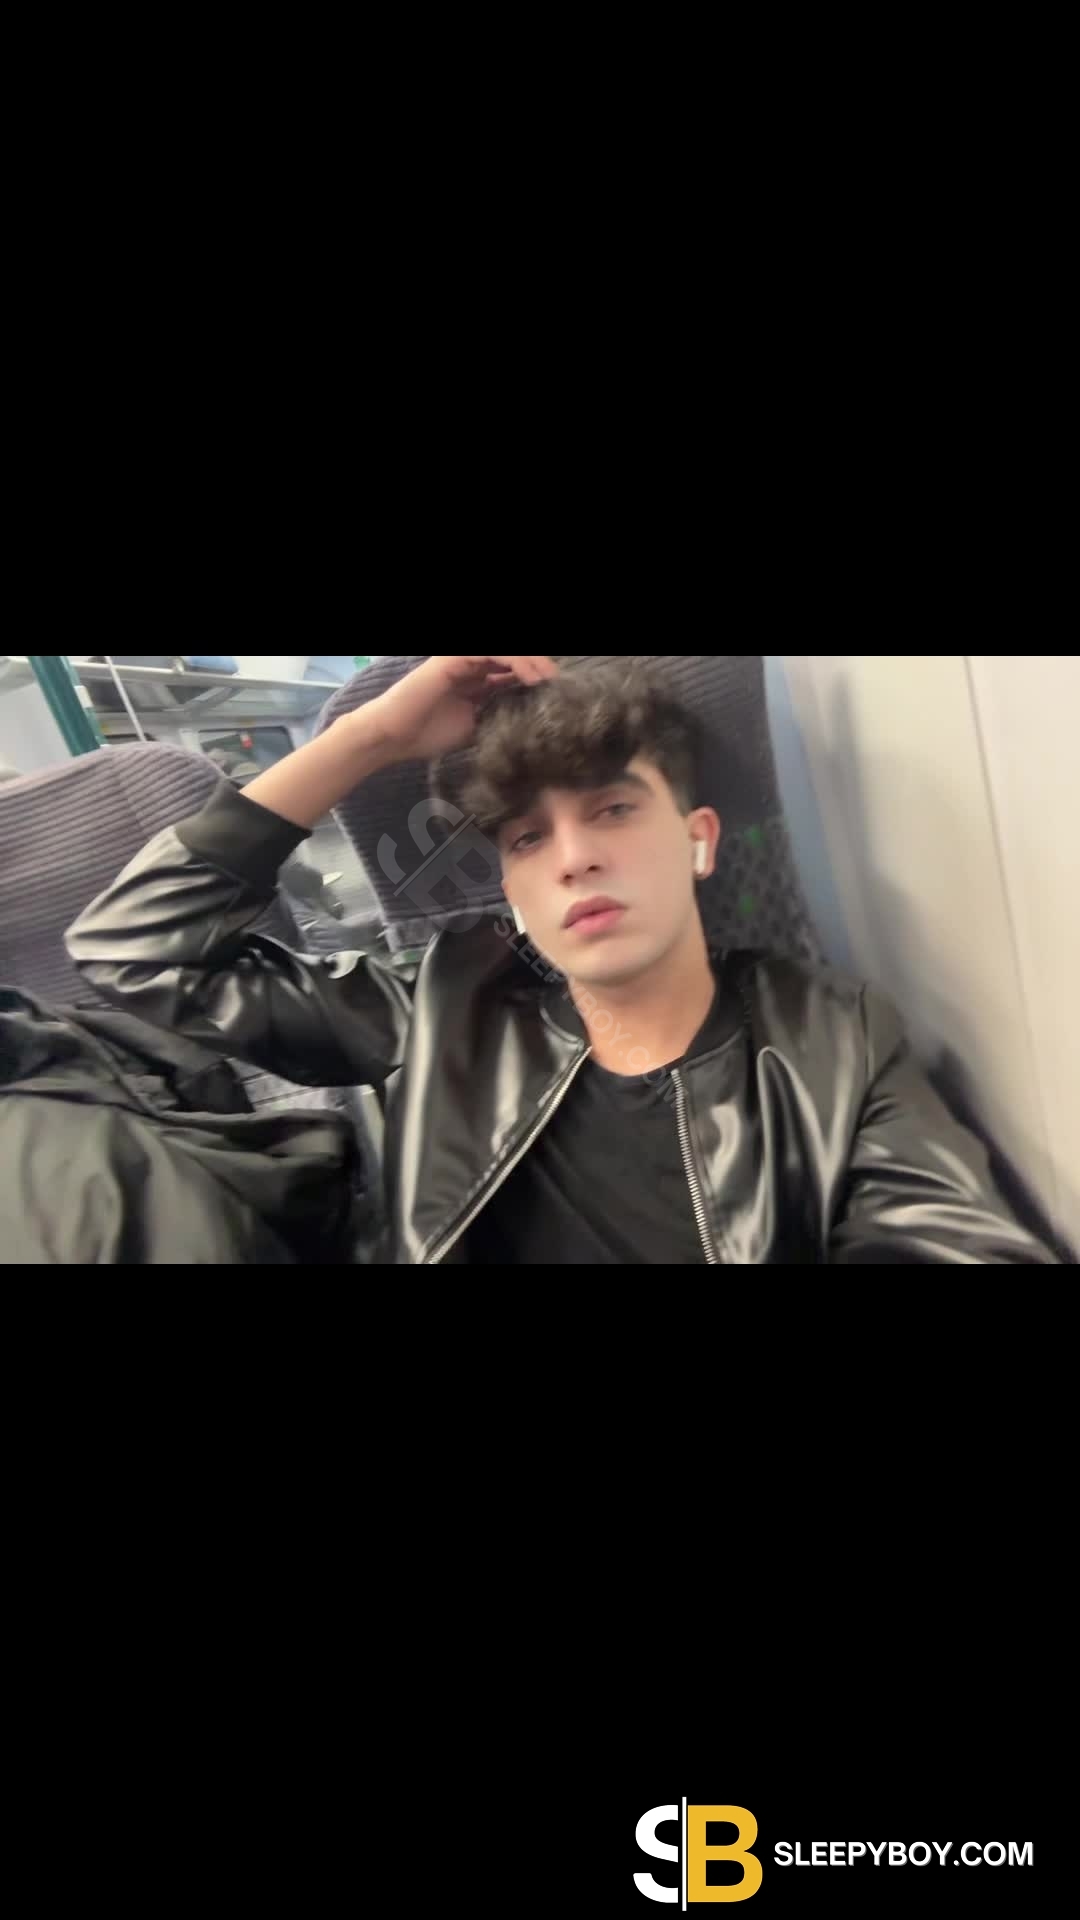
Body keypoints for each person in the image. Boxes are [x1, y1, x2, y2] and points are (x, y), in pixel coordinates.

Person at [66, 655, 1057, 1265]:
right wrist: (369, 739)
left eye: (614, 809)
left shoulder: (829, 1039)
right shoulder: (436, 1009)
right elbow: (135, 950)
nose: (574, 856)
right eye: (528, 838)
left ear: (700, 839)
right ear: (510, 887)